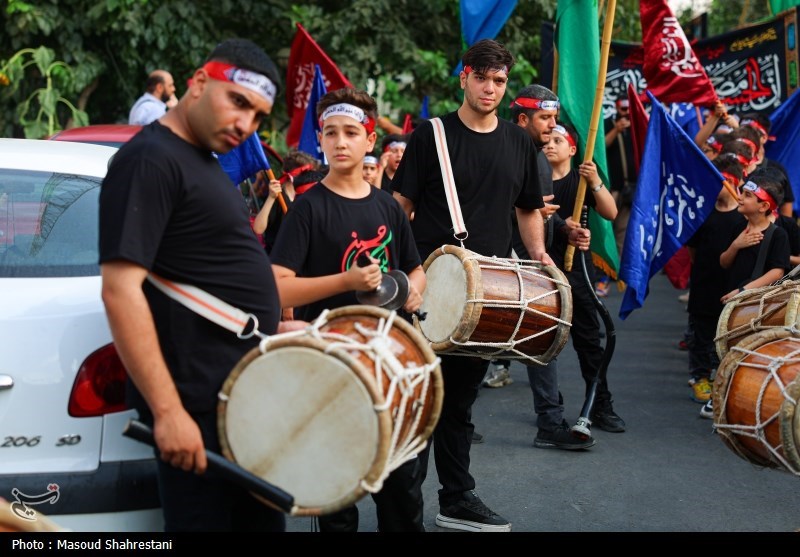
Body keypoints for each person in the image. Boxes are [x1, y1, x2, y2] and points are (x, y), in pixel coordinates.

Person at [99, 38, 299, 532]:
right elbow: (120, 289)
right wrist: (168, 413)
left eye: (257, 116)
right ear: (199, 82)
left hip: (239, 401)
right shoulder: (150, 159)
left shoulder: (202, 161)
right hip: (198, 411)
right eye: (239, 102)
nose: (245, 125)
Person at [391, 39, 590, 532]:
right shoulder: (430, 135)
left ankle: (456, 499)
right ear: (464, 77)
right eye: (481, 77)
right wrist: (401, 274)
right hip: (428, 291)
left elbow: (526, 208)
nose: (489, 88)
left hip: (488, 295)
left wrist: (540, 256)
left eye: (499, 81)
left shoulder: (519, 141)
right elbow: (401, 208)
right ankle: (404, 512)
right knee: (421, 402)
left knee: (458, 404)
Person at [269, 87, 426, 531]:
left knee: (402, 493)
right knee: (339, 496)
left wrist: (414, 290)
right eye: (330, 133)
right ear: (320, 140)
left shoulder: (386, 207)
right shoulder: (307, 209)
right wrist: (347, 282)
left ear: (370, 140)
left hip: (389, 365)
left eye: (351, 133)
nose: (340, 142)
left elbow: (415, 269)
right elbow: (278, 289)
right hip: (331, 366)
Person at [507, 85, 620, 448]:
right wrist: (556, 225)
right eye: (546, 121)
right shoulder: (519, 154)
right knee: (536, 339)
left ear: (572, 148)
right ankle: (549, 418)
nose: (552, 131)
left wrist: (568, 228)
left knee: (589, 340)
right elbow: (518, 211)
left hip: (574, 270)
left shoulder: (558, 169)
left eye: (557, 125)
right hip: (529, 266)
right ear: (524, 119)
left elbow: (609, 212)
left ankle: (599, 404)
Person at [684, 156, 745, 408]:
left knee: (727, 331)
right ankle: (700, 376)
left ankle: (723, 376)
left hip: (730, 285)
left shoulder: (743, 218)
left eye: (724, 182)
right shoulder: (703, 212)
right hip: (704, 281)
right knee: (701, 331)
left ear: (737, 183)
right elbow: (693, 248)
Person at [605, 97, 637, 264]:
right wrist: (616, 130)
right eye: (623, 110)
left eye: (629, 110)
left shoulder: (636, 127)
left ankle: (617, 270)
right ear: (617, 109)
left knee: (623, 231)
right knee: (607, 229)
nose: (626, 114)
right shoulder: (609, 124)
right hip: (613, 189)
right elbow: (602, 146)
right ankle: (604, 271)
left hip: (630, 189)